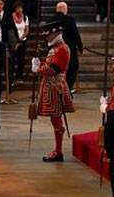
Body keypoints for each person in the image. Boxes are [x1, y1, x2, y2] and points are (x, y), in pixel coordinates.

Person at [30, 19, 75, 162]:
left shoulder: (61, 49)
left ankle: (59, 151)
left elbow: (54, 69)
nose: (46, 37)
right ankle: (58, 150)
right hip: (51, 87)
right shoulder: (56, 48)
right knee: (55, 119)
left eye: (48, 34)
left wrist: (38, 69)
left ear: (55, 33)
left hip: (56, 88)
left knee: (56, 119)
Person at [55, 2, 83, 91]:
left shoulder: (50, 20)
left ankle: (57, 90)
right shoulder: (70, 20)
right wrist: (80, 47)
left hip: (55, 50)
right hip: (70, 50)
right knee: (72, 69)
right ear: (64, 9)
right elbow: (75, 34)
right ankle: (67, 88)